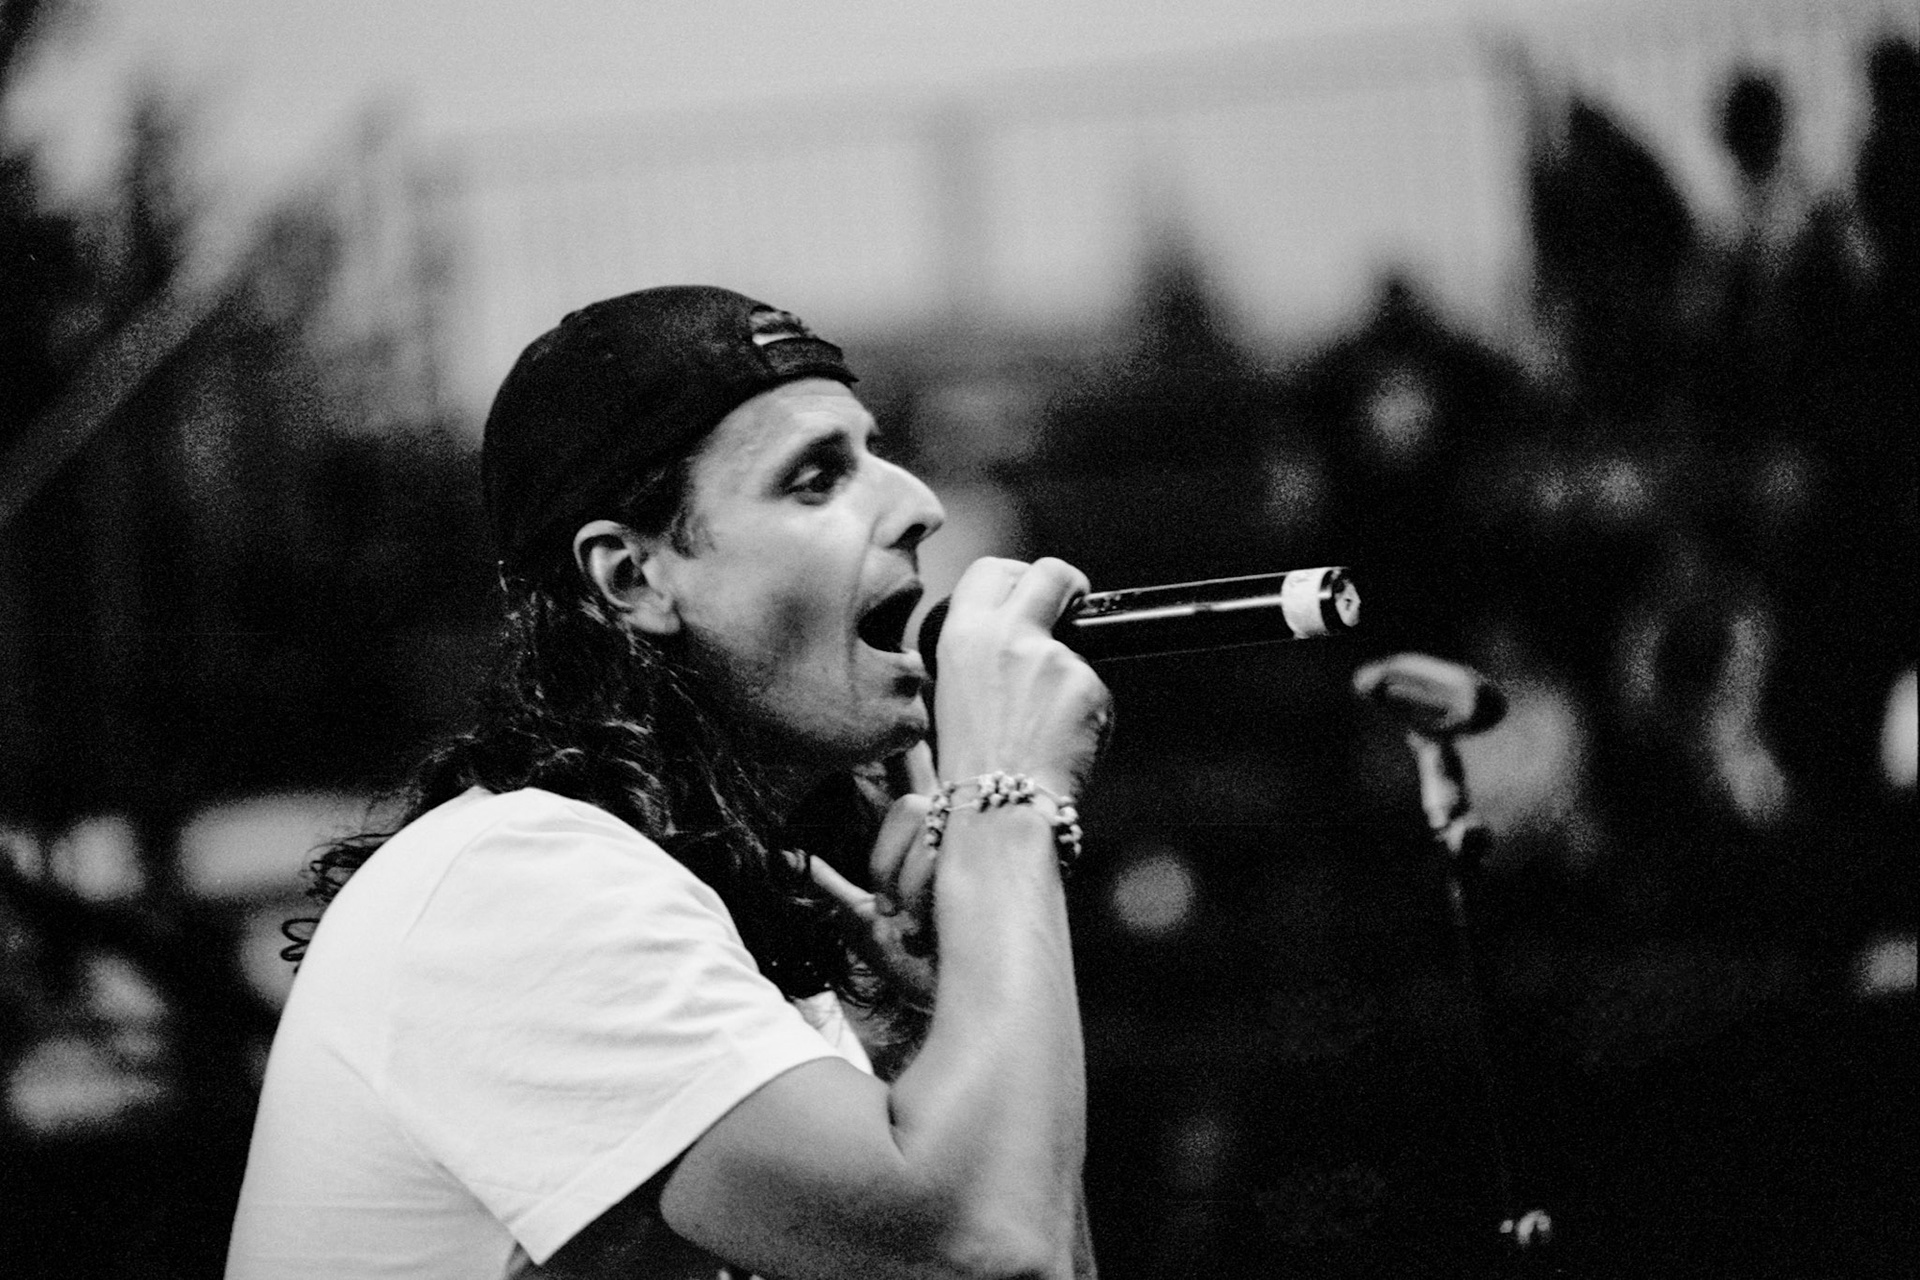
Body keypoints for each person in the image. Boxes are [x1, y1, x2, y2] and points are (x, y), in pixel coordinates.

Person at [224, 285, 1111, 1279]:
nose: (917, 504)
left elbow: (1018, 1253)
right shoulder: (522, 882)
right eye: (817, 477)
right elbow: (983, 1244)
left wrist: (948, 1019)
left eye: (878, 453)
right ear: (633, 578)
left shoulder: (736, 942)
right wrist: (1005, 802)